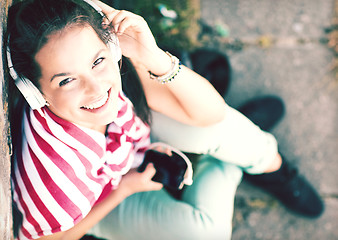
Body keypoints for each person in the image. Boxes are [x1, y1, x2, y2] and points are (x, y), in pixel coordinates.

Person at [6, 0, 323, 239]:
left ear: (112, 48)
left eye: (99, 61)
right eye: (66, 81)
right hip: (100, 196)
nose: (96, 88)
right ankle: (228, 163)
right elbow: (53, 237)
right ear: (36, 93)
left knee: (220, 125)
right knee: (207, 234)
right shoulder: (56, 178)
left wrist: (151, 55)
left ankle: (271, 168)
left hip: (131, 139)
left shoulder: (113, 76)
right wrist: (125, 189)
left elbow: (211, 114)